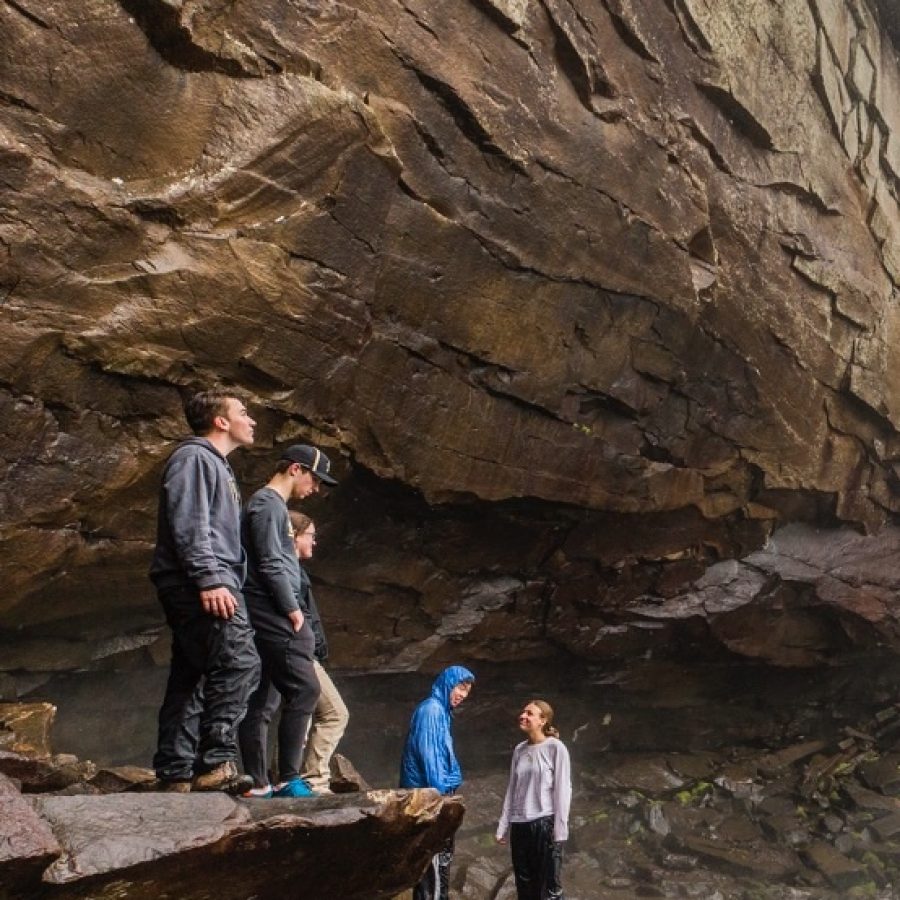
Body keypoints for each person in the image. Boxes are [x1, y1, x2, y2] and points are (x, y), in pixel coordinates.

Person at [149, 388, 261, 793]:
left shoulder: (215, 465)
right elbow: (190, 522)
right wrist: (210, 578)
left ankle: (175, 770)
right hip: (200, 580)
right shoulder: (195, 457)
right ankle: (214, 763)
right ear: (221, 421)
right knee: (240, 662)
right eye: (244, 412)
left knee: (193, 674)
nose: (252, 420)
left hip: (195, 579)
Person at [237, 444, 337, 798]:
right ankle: (287, 779)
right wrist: (292, 609)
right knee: (305, 688)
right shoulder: (267, 505)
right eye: (315, 478)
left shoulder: (269, 505)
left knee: (263, 697)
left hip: (265, 607)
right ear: (296, 469)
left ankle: (258, 781)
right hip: (271, 607)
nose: (316, 488)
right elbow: (270, 562)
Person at [400, 665, 476, 900]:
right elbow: (430, 758)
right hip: (428, 801)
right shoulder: (432, 711)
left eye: (467, 691)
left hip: (433, 797)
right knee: (431, 866)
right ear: (447, 683)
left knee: (440, 864)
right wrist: (443, 799)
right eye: (460, 687)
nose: (463, 695)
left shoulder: (442, 712)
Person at [291, 511, 350, 794]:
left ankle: (288, 778)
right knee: (335, 713)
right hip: (300, 653)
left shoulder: (292, 569)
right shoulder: (285, 570)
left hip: (303, 652)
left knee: (297, 714)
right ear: (293, 536)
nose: (314, 543)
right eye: (310, 536)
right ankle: (313, 779)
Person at [496, 700, 572, 900]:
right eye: (523, 712)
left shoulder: (555, 748)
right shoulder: (519, 750)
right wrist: (503, 825)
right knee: (525, 886)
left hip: (544, 822)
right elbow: (512, 789)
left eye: (530, 713)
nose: (523, 716)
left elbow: (563, 789)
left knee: (549, 887)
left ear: (542, 720)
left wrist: (560, 829)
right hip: (520, 824)